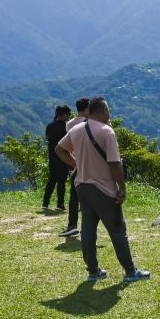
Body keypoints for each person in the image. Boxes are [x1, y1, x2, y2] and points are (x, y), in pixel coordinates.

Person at [54, 96, 150, 283]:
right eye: (108, 110)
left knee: (88, 229)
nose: (110, 114)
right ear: (103, 111)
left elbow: (59, 149)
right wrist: (121, 187)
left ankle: (93, 271)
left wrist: (76, 165)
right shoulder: (107, 132)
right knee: (117, 229)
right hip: (104, 188)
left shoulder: (76, 129)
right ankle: (130, 272)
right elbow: (114, 163)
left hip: (82, 185)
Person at [59, 97, 90, 238]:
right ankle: (87, 227)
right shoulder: (90, 123)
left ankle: (72, 225)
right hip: (90, 163)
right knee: (90, 197)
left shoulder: (69, 124)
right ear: (87, 108)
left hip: (75, 163)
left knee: (74, 195)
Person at [43, 105, 72, 211]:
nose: (69, 115)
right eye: (68, 113)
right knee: (61, 182)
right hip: (63, 156)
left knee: (51, 180)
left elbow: (47, 139)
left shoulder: (49, 126)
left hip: (52, 156)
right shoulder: (66, 126)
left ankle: (45, 203)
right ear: (63, 114)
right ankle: (60, 204)